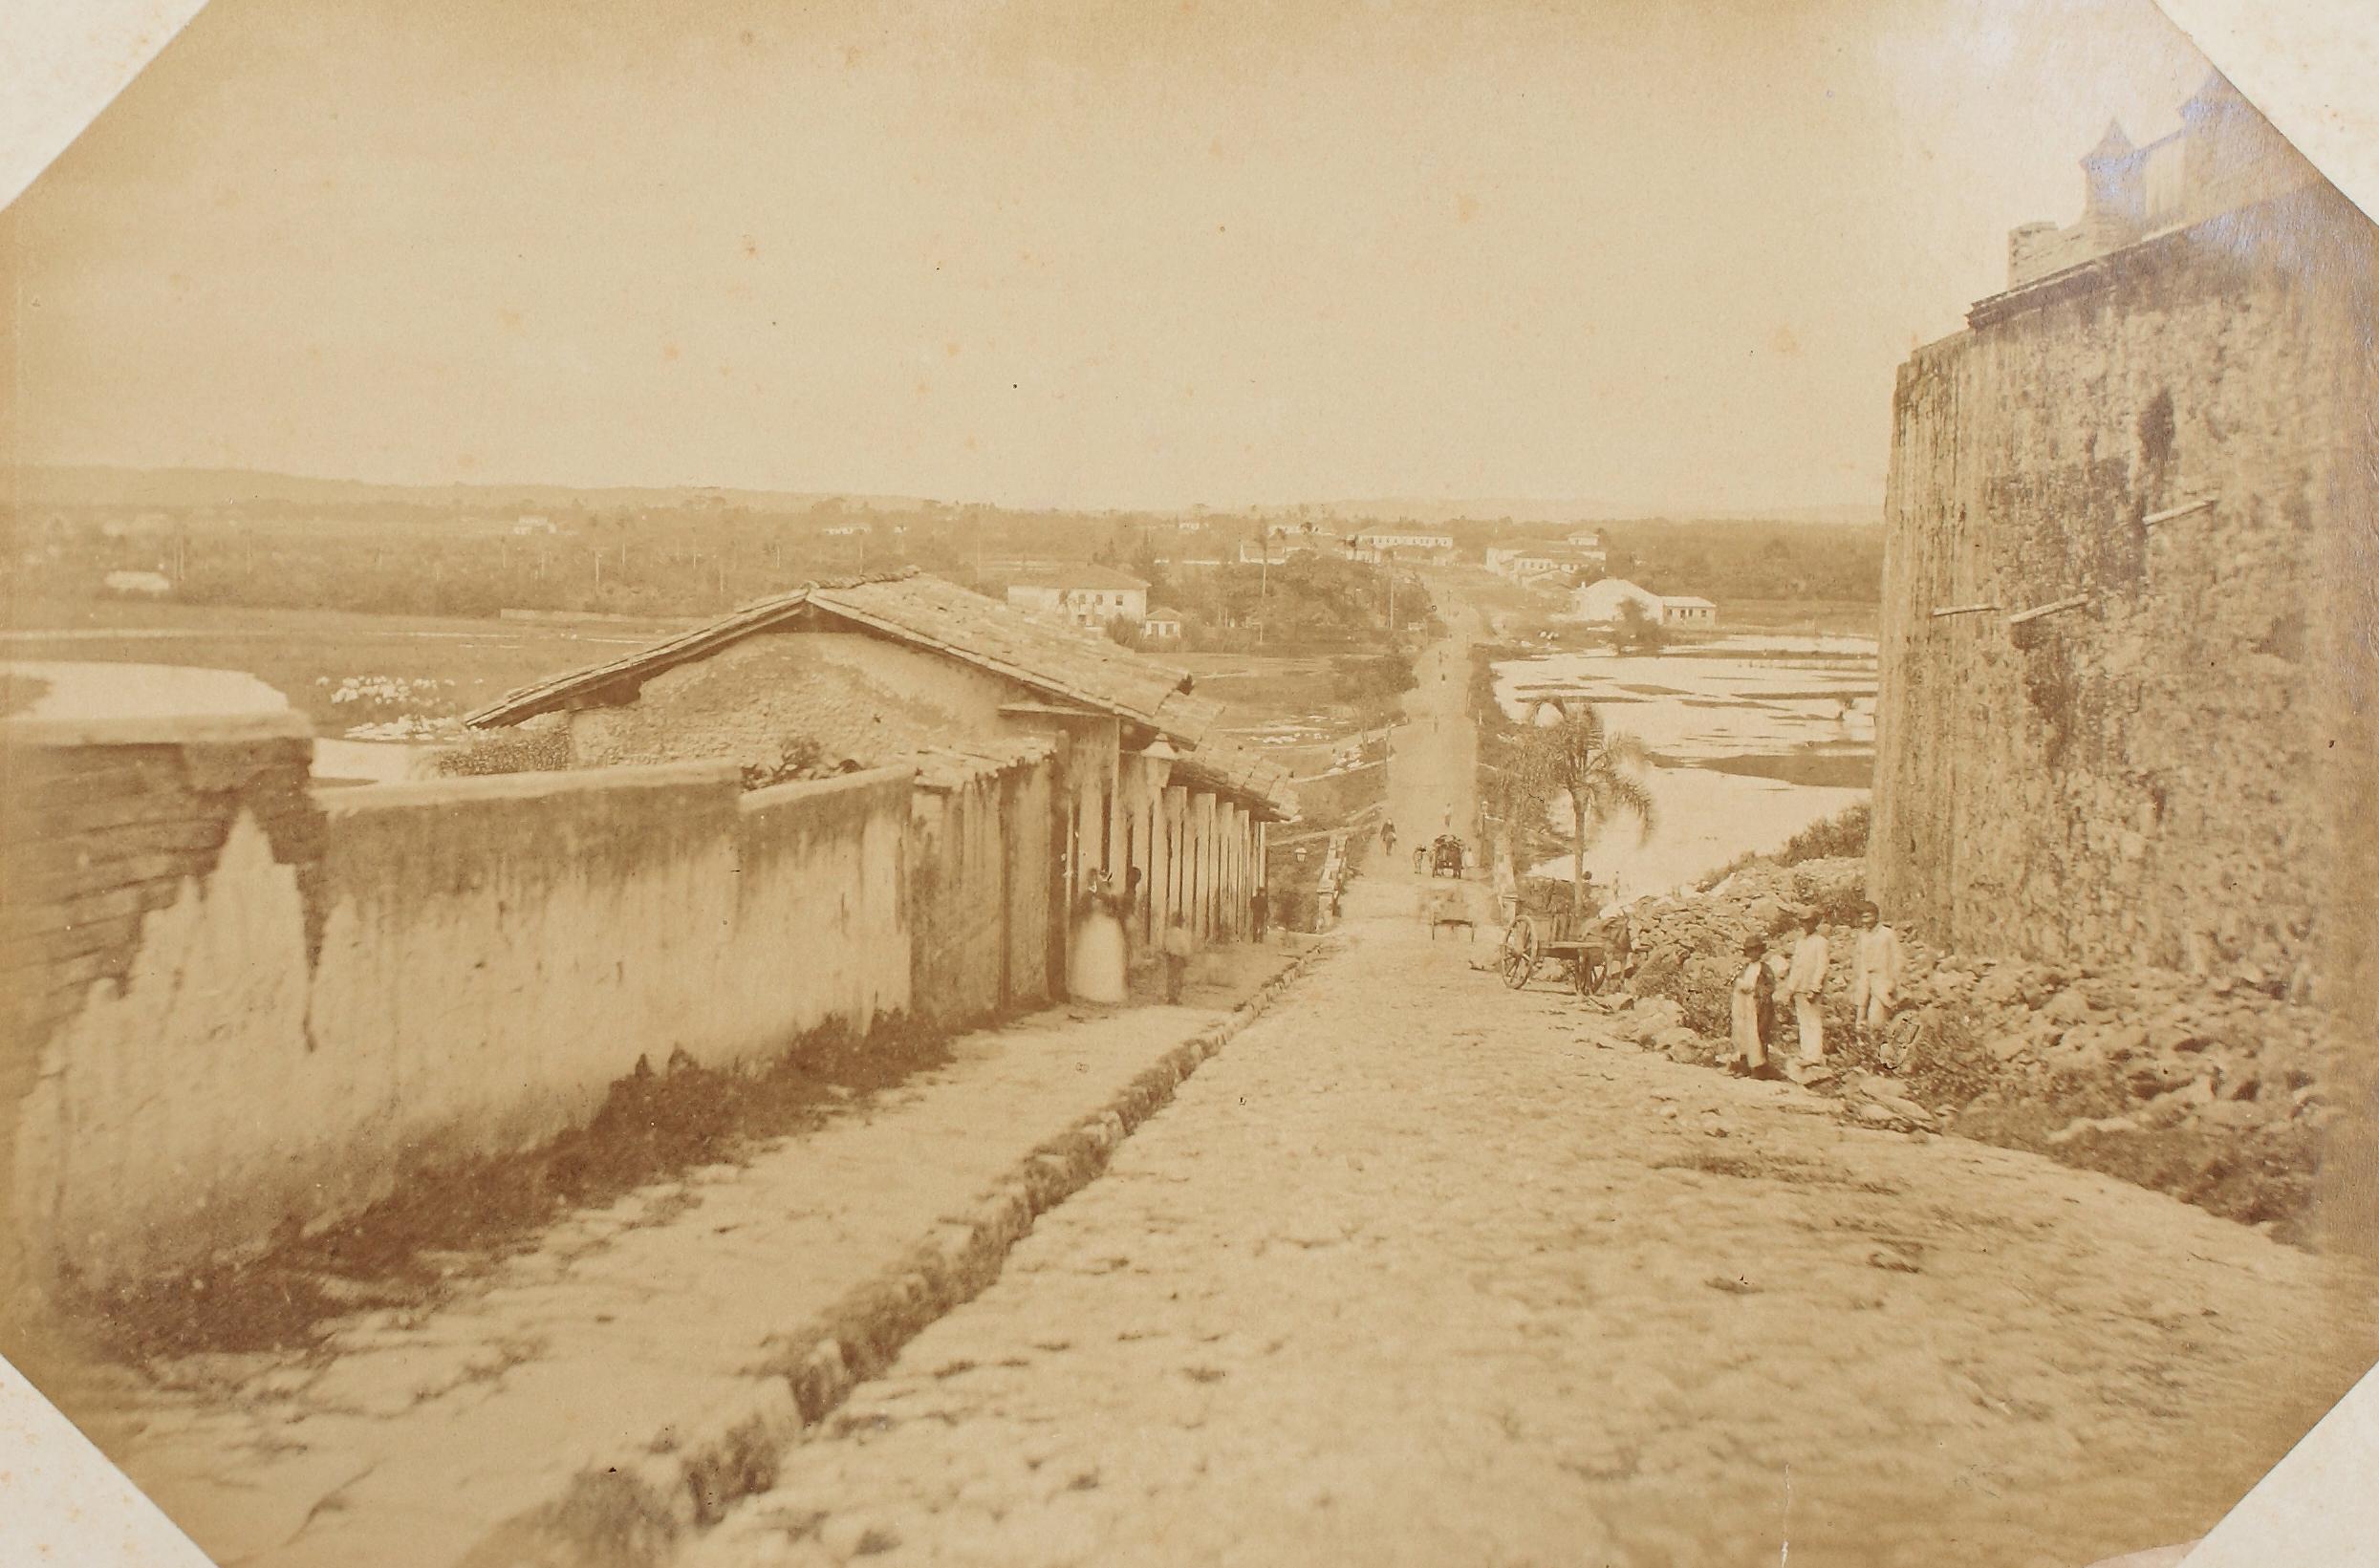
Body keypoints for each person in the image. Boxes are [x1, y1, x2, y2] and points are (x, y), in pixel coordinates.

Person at [1850, 901, 1905, 1059]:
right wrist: (1856, 978)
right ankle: (1862, 1051)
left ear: (1876, 916)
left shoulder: (1887, 934)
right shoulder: (1862, 935)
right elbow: (1858, 957)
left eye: (1868, 916)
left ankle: (1877, 1051)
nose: (1865, 920)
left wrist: (1893, 982)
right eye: (1863, 917)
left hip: (1882, 979)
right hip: (1864, 979)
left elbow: (1898, 959)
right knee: (1860, 1014)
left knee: (1876, 1018)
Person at [1782, 909, 1829, 1073]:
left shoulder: (1821, 942)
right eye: (1803, 922)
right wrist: (1790, 989)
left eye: (1809, 921)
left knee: (1813, 1021)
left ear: (1815, 922)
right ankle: (1806, 1052)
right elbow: (1796, 967)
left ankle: (1815, 1055)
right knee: (1803, 1021)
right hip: (1799, 988)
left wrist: (1815, 988)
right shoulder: (1800, 942)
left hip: (1811, 988)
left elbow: (1822, 967)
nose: (1805, 925)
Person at [1070, 872, 1127, 1005]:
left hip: (1106, 927)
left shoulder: (1109, 896)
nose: (1095, 883)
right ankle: (1088, 989)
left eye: (1097, 880)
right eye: (1092, 880)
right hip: (1093, 926)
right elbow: (1083, 911)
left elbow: (1115, 911)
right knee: (1091, 955)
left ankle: (1106, 990)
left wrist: (1108, 912)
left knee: (1105, 957)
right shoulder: (1088, 895)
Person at [1729, 935, 1778, 1078]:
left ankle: (1759, 1068)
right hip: (1744, 1006)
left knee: (1758, 1034)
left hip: (1758, 1008)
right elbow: (1736, 982)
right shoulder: (1745, 968)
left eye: (1756, 950)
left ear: (1760, 951)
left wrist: (1756, 990)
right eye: (1750, 950)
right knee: (1743, 1034)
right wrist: (1740, 986)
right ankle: (1744, 1066)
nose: (1753, 953)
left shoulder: (1765, 969)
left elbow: (1770, 986)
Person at [1160, 913, 1193, 1003]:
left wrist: (1166, 953)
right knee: (1178, 978)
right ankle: (1175, 997)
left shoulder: (1167, 932)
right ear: (1180, 922)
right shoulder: (1181, 933)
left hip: (1169, 957)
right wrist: (1186, 957)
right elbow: (1185, 947)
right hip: (1178, 958)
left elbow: (1163, 945)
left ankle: (1170, 997)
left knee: (1170, 977)